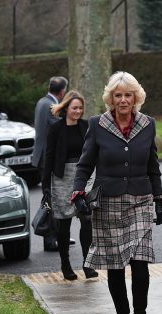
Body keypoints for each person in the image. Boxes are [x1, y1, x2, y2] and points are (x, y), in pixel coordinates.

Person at [72, 71, 162, 314]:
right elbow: (85, 163)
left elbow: (153, 166)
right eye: (118, 95)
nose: (123, 100)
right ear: (110, 98)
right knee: (114, 266)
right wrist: (78, 192)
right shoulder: (97, 124)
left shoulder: (148, 124)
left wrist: (159, 201)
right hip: (108, 204)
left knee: (140, 264)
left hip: (140, 200)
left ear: (136, 97)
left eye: (128, 95)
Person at [41, 90, 99, 280]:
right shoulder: (55, 128)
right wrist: (46, 187)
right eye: (75, 108)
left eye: (81, 108)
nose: (78, 111)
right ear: (66, 108)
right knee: (63, 225)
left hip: (84, 177)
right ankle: (65, 265)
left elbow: (93, 152)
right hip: (61, 177)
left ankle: (87, 264)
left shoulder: (87, 126)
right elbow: (48, 157)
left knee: (87, 220)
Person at [32, 76, 68, 252]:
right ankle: (49, 238)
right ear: (62, 92)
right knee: (51, 198)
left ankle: (58, 235)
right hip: (48, 159)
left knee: (50, 197)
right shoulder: (51, 106)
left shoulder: (41, 102)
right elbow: (58, 128)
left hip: (41, 157)